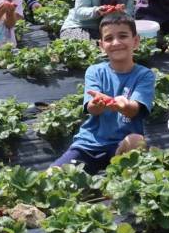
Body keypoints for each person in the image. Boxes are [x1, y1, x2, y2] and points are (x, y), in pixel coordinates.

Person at [50, 13, 155, 175]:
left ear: (136, 41)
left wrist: (123, 106)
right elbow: (92, 108)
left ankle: (123, 178)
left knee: (136, 141)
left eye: (123, 36)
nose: (116, 43)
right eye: (109, 38)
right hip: (89, 144)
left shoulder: (144, 75)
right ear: (101, 45)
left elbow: (134, 110)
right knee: (53, 175)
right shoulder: (95, 71)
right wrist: (99, 103)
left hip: (121, 145)